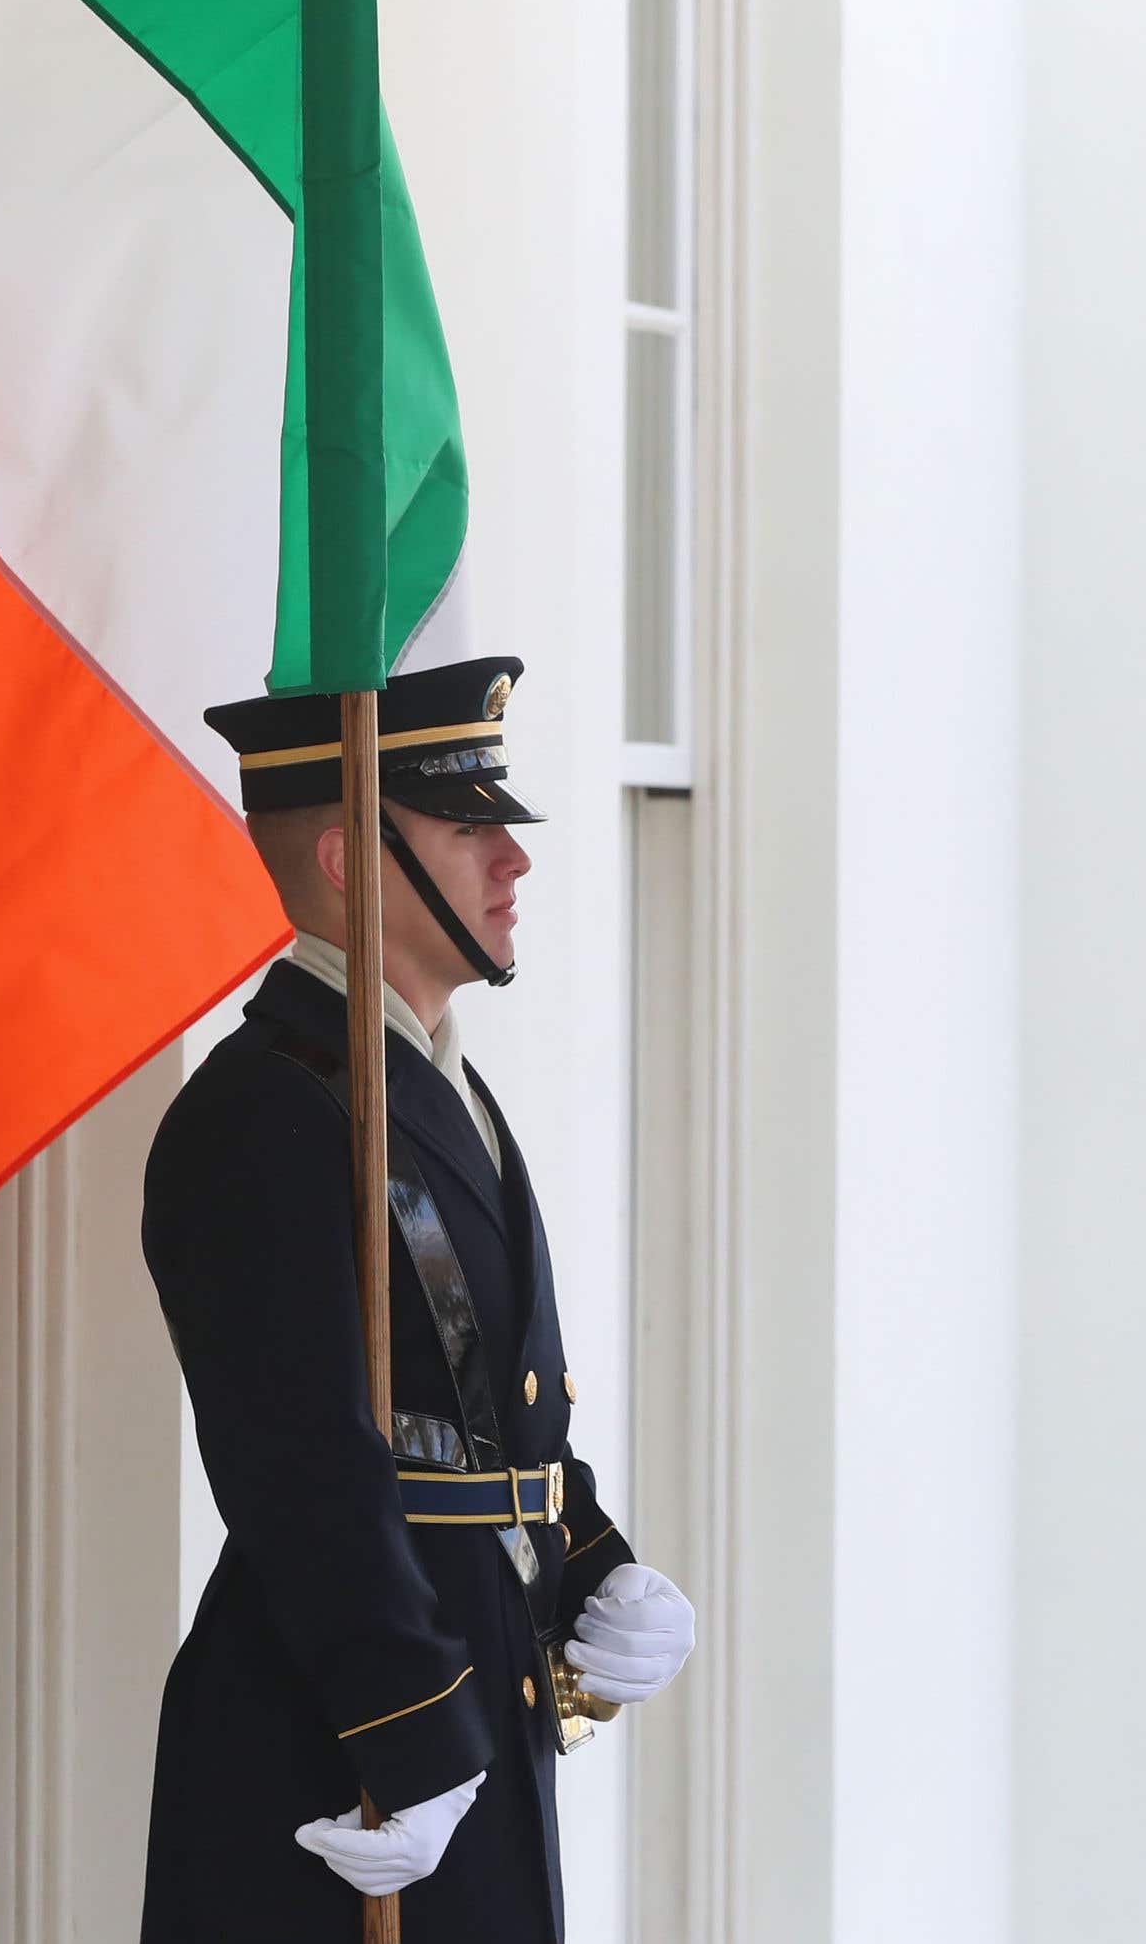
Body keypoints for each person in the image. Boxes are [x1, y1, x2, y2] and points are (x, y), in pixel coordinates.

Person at [139, 656, 694, 1941]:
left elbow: (477, 1414)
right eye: (469, 826)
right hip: (346, 1739)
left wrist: (594, 1566)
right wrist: (411, 1734)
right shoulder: (266, 1109)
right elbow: (300, 1458)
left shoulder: (431, 1081)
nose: (515, 861)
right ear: (348, 856)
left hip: (466, 1692)